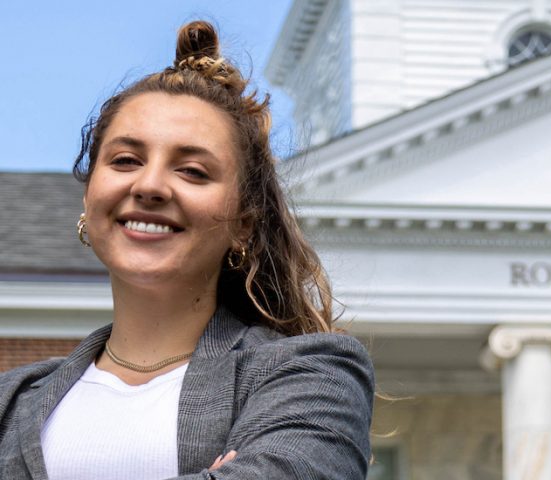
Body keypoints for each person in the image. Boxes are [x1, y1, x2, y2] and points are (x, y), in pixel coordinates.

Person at [0, 20, 374, 480]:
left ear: (243, 224)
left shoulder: (308, 376)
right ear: (88, 197)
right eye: (125, 160)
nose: (150, 185)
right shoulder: (12, 401)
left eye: (193, 171)